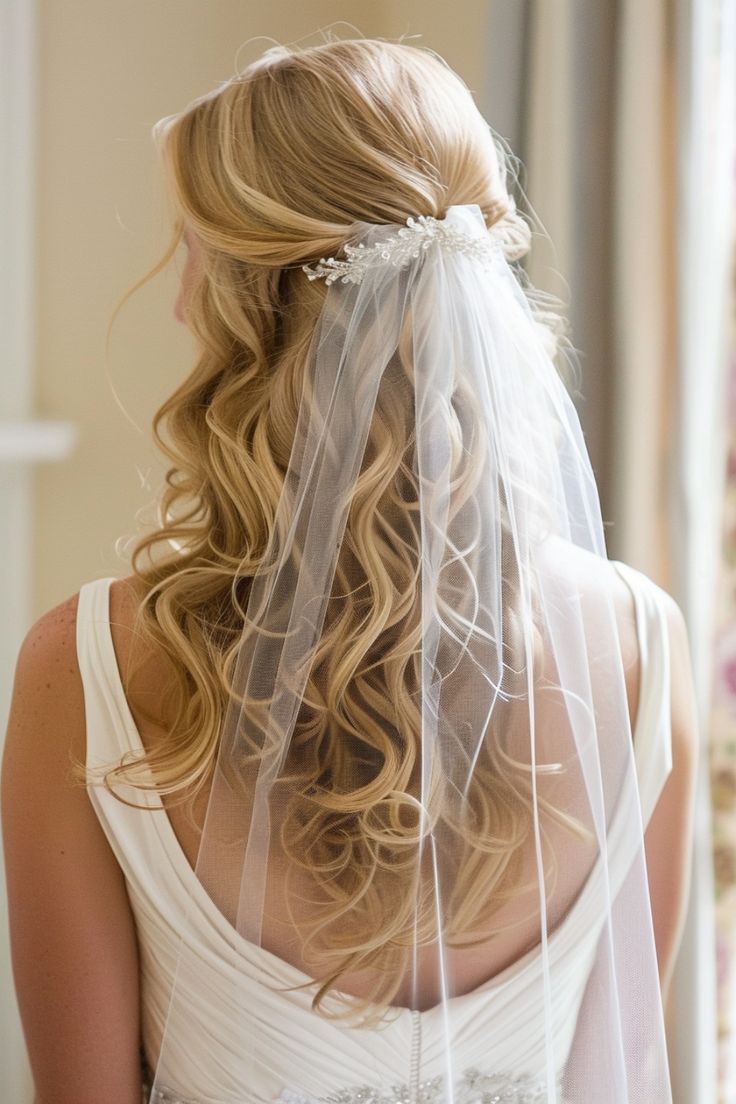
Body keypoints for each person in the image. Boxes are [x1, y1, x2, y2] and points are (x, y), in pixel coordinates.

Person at [1, 36, 699, 1104]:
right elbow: (621, 1078)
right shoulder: (638, 651)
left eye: (193, 251)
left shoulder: (87, 668)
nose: (181, 298)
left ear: (251, 305)